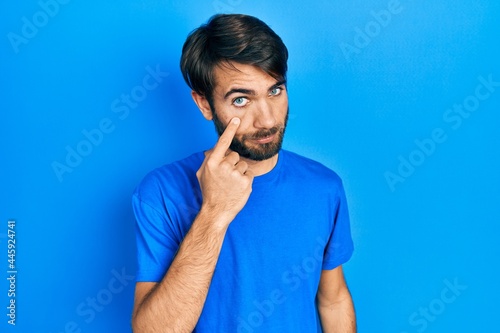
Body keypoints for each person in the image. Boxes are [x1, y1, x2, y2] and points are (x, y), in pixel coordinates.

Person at [131, 13, 355, 332]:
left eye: (275, 91)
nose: (266, 119)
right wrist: (214, 213)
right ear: (204, 104)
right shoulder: (161, 193)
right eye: (240, 99)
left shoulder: (324, 187)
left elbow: (332, 299)